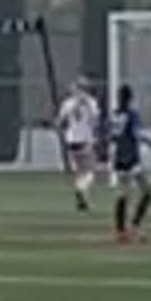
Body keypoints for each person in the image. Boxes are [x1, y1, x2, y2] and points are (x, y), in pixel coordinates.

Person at [109, 85, 151, 243]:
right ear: (131, 98)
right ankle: (135, 226)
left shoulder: (115, 114)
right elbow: (137, 133)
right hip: (131, 157)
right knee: (147, 190)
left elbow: (112, 136)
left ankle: (120, 231)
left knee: (123, 193)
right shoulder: (132, 114)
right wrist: (150, 142)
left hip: (119, 157)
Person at [56, 79, 103, 211]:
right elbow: (95, 120)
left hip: (71, 141)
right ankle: (80, 190)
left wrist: (64, 133)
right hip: (85, 140)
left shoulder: (67, 103)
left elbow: (59, 122)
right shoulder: (91, 102)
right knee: (90, 172)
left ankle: (83, 203)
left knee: (80, 172)